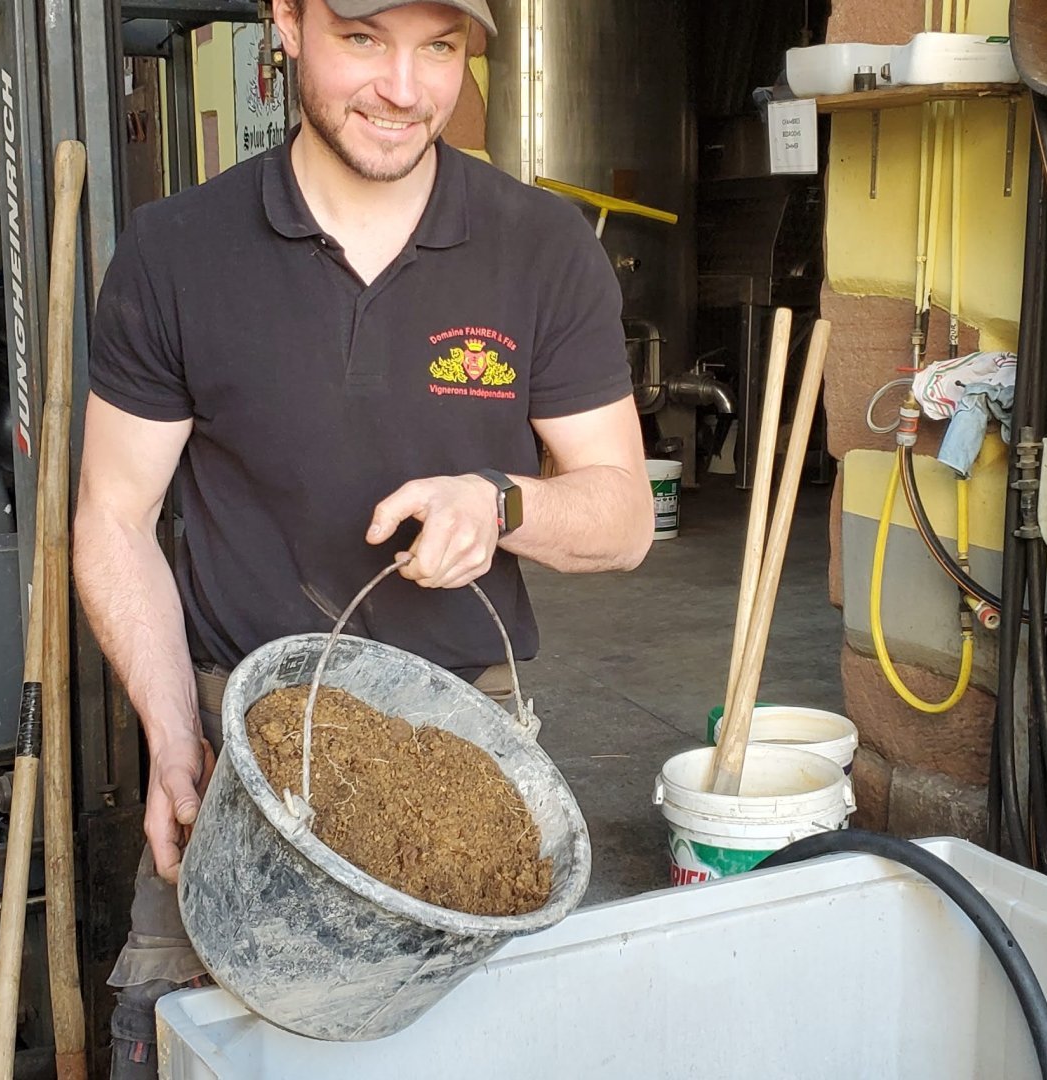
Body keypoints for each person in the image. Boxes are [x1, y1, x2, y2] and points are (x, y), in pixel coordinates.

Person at [72, 0, 653, 1070]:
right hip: (236, 739)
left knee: (470, 1049)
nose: (402, 88)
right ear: (285, 21)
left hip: (463, 744)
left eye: (438, 47)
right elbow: (114, 517)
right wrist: (170, 738)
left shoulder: (540, 247)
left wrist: (502, 502)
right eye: (362, 38)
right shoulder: (177, 251)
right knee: (189, 1038)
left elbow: (622, 518)